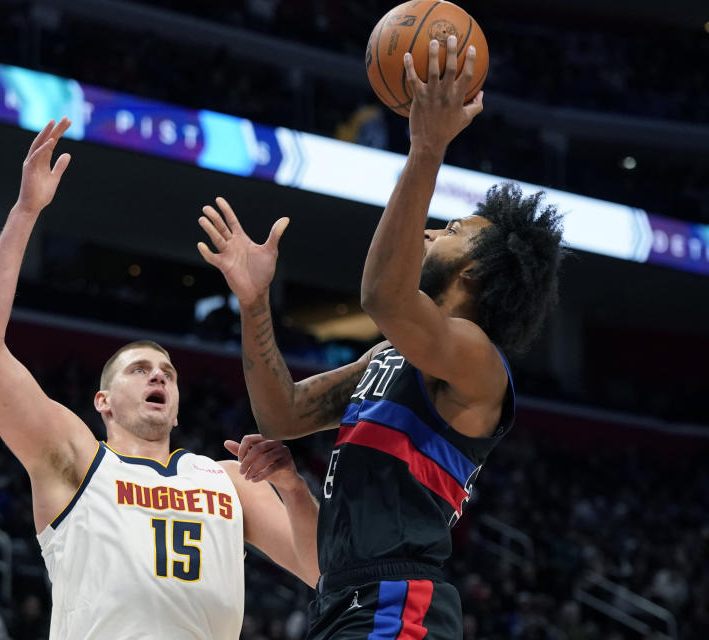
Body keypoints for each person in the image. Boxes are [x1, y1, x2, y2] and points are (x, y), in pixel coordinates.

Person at [199, 36, 564, 639]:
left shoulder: (478, 365)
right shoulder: (388, 354)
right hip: (343, 598)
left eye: (452, 230)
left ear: (474, 274)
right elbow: (282, 413)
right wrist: (254, 301)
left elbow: (382, 296)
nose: (431, 233)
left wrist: (428, 147)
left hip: (399, 604)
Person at [0, 118, 320, 640]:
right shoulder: (76, 460)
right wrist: (25, 211)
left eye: (168, 373)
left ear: (175, 403)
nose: (159, 375)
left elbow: (325, 573)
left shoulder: (231, 479)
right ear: (103, 401)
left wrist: (293, 486)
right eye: (140, 369)